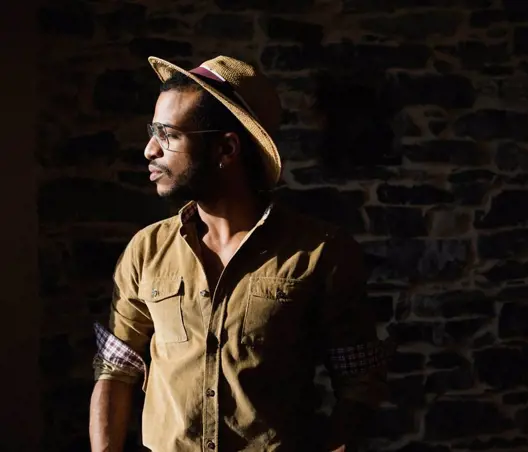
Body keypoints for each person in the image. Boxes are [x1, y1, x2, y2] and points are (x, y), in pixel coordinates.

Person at [88, 55, 389, 452]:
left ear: (226, 149)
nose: (149, 150)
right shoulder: (147, 250)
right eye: (152, 132)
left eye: (168, 135)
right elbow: (115, 370)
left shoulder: (321, 253)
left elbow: (360, 384)